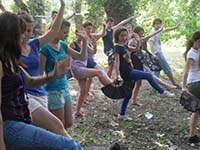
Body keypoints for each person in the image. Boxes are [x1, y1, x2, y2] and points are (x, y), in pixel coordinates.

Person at [0, 11, 81, 150]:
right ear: (10, 34)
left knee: (57, 128)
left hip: (22, 116)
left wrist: (54, 74)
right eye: (21, 31)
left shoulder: (11, 58)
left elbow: (30, 81)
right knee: (68, 145)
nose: (24, 35)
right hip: (11, 125)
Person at [19, 0, 70, 136]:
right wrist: (53, 75)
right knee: (57, 125)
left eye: (29, 30)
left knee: (42, 132)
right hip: (25, 95)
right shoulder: (11, 50)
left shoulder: (34, 44)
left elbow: (53, 31)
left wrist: (63, 6)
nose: (27, 34)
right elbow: (28, 81)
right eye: (23, 30)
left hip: (41, 93)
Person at [114, 27, 174, 120]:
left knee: (128, 94)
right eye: (122, 35)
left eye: (125, 35)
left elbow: (136, 49)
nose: (124, 37)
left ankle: (121, 114)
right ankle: (162, 91)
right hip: (126, 72)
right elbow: (116, 62)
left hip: (129, 70)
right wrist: (116, 75)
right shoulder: (117, 47)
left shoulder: (124, 46)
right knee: (148, 75)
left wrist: (138, 40)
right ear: (117, 36)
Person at [40, 21, 88, 127]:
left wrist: (84, 41)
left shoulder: (62, 45)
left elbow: (81, 57)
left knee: (69, 123)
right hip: (53, 90)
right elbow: (39, 75)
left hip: (65, 87)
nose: (67, 35)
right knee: (59, 126)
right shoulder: (45, 48)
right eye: (65, 32)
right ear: (56, 30)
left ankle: (61, 142)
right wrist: (54, 73)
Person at [128, 26, 176, 106]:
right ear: (135, 33)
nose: (142, 35)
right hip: (136, 64)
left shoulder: (139, 40)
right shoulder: (131, 41)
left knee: (139, 83)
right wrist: (131, 64)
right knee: (151, 76)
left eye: (142, 34)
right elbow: (129, 53)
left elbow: (150, 36)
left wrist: (159, 31)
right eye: (140, 33)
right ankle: (166, 88)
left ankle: (134, 100)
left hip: (140, 63)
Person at [70, 29, 113, 117]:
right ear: (76, 34)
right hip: (77, 69)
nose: (82, 36)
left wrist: (95, 43)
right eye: (80, 34)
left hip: (83, 68)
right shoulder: (73, 44)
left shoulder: (84, 44)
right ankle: (112, 87)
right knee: (99, 72)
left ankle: (77, 111)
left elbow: (93, 52)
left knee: (83, 91)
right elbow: (66, 55)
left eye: (83, 34)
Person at [149, 18, 180, 87]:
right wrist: (153, 54)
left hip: (158, 51)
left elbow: (167, 29)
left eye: (159, 23)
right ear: (153, 25)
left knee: (157, 69)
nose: (158, 25)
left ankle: (154, 85)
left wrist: (175, 27)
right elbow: (151, 42)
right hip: (157, 52)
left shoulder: (159, 30)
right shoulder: (153, 32)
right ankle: (174, 83)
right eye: (156, 24)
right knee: (166, 68)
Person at [182, 31, 200, 144]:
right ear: (195, 41)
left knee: (197, 110)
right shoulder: (192, 53)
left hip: (195, 83)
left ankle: (191, 136)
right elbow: (186, 71)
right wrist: (183, 86)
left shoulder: (197, 51)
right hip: (195, 83)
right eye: (199, 42)